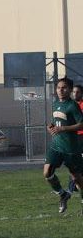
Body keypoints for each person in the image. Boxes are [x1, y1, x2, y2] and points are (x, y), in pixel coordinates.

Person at [44, 77, 83, 215]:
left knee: (77, 177)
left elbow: (81, 124)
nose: (61, 90)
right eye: (59, 87)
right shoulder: (55, 104)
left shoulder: (73, 105)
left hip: (71, 149)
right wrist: (52, 127)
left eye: (64, 87)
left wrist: (63, 129)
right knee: (47, 172)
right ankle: (63, 194)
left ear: (70, 90)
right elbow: (57, 122)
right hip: (56, 145)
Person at [67, 84, 83, 195]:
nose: (75, 94)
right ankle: (73, 186)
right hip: (73, 138)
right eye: (73, 92)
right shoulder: (70, 105)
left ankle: (74, 186)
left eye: (77, 92)